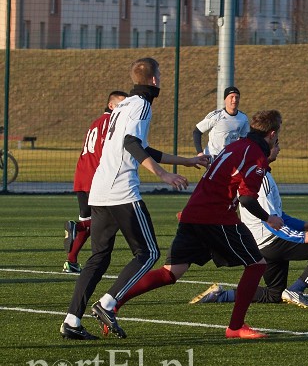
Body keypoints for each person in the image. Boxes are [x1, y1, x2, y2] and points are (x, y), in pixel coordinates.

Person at [61, 58, 209, 341]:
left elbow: (140, 145)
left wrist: (186, 161)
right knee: (149, 253)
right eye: (161, 74)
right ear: (154, 80)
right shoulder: (141, 104)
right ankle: (107, 304)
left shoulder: (124, 105)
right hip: (120, 189)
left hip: (100, 189)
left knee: (98, 259)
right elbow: (132, 144)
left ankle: (71, 321)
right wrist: (165, 175)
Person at [110, 110, 283, 340]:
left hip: (194, 212)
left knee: (172, 272)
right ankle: (235, 327)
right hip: (216, 217)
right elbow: (247, 199)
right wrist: (269, 218)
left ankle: (112, 303)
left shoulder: (236, 146)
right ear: (271, 134)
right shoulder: (254, 156)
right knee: (256, 265)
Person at [189, 135, 308, 308]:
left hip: (261, 245)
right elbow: (269, 221)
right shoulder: (260, 179)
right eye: (276, 145)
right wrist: (301, 237)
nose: (279, 149)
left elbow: (276, 216)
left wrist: (301, 225)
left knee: (274, 294)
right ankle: (297, 290)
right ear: (266, 149)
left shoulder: (257, 174)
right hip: (272, 242)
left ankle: (221, 295)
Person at [62, 90, 129, 274]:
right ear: (111, 105)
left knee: (90, 219)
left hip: (82, 175)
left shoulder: (95, 122)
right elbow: (109, 152)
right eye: (122, 104)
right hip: (96, 178)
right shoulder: (110, 123)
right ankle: (78, 228)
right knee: (108, 219)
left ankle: (71, 261)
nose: (125, 108)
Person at [193, 86, 249, 159]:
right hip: (213, 156)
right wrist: (200, 153)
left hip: (230, 157)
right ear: (225, 100)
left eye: (237, 97)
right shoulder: (216, 116)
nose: (234, 100)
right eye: (231, 97)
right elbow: (197, 132)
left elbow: (243, 138)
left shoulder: (243, 118)